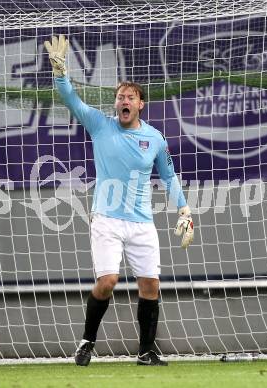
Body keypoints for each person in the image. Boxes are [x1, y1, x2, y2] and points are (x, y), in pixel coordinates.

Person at [44, 35, 194, 366]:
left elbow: (168, 176)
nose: (123, 100)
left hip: (141, 222)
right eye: (119, 97)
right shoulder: (101, 125)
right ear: (116, 104)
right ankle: (87, 341)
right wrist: (60, 72)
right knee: (107, 282)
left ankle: (146, 352)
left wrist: (184, 210)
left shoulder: (155, 138)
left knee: (151, 285)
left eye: (130, 97)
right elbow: (73, 102)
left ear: (141, 104)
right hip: (107, 219)